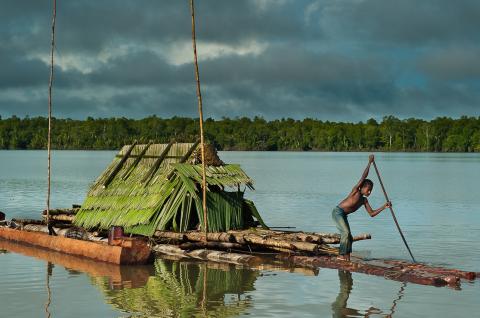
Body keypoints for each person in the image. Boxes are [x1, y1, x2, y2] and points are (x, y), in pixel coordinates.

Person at [332, 154, 391, 261]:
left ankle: (347, 257)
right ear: (362, 187)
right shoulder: (356, 191)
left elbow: (372, 214)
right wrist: (369, 163)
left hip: (344, 215)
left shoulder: (364, 200)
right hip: (337, 212)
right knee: (345, 233)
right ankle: (341, 255)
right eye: (368, 189)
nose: (369, 192)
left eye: (371, 190)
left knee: (349, 236)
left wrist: (384, 206)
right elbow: (363, 177)